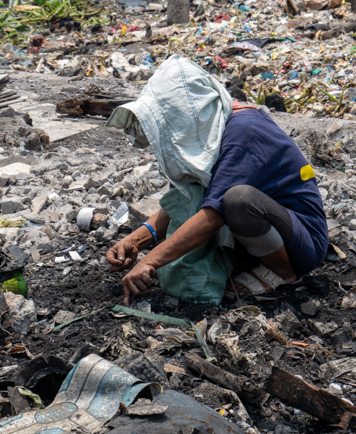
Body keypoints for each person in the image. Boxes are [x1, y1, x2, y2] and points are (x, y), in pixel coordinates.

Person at [105, 55, 328, 306]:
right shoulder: (210, 138)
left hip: (302, 243)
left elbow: (213, 214)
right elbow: (184, 201)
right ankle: (257, 262)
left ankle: (283, 273)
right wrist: (134, 240)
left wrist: (151, 260)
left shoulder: (244, 129)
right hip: (256, 237)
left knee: (238, 200)